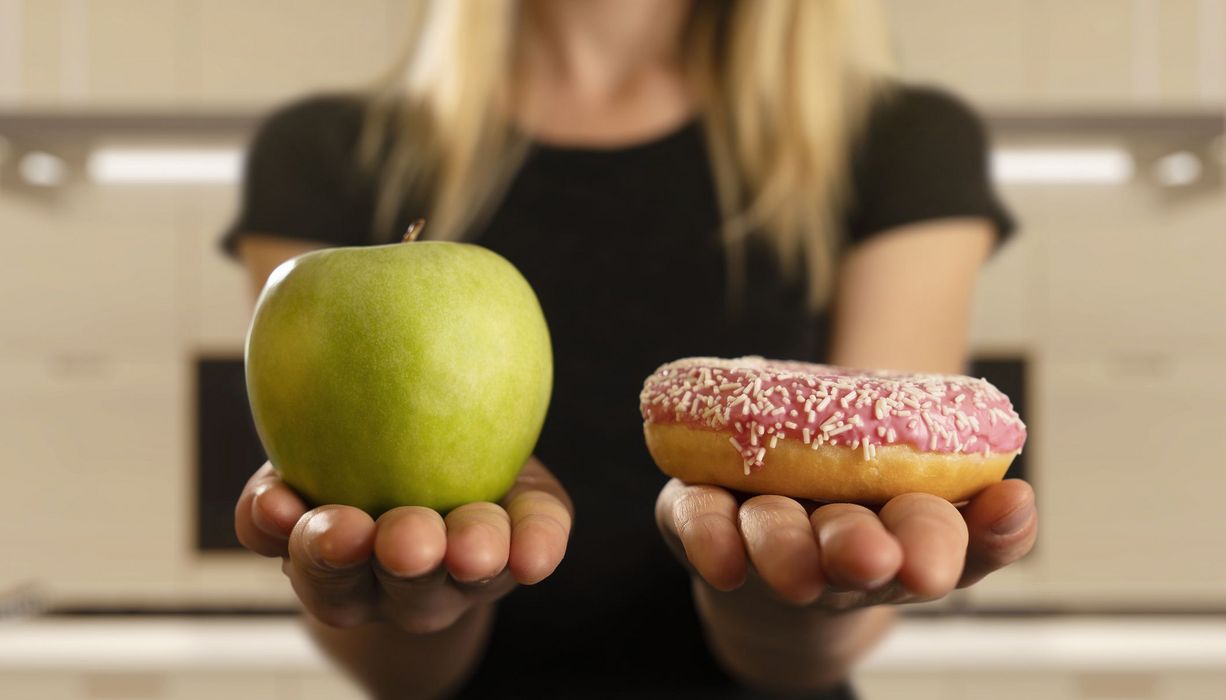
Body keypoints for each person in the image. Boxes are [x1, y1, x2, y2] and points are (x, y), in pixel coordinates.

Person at [226, 1, 1038, 698]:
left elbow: (880, 490)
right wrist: (422, 603)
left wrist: (781, 601)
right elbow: (384, 659)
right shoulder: (324, 153)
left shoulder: (898, 142)